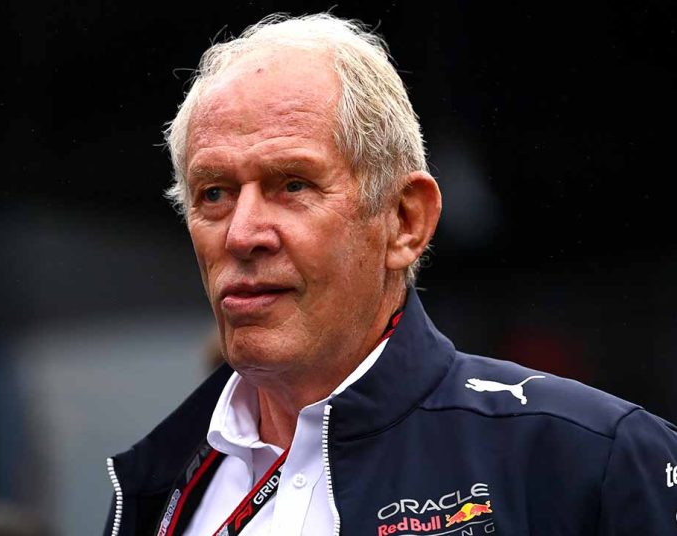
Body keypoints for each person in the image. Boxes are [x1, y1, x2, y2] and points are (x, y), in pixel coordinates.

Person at [103, 13, 677, 536]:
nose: (242, 233)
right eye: (214, 193)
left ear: (405, 221)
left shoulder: (594, 459)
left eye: (293, 184)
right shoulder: (153, 487)